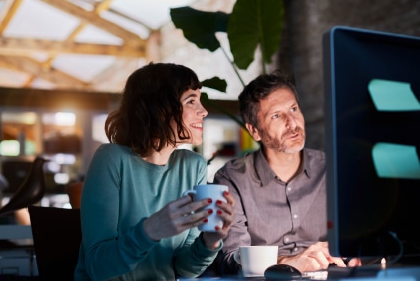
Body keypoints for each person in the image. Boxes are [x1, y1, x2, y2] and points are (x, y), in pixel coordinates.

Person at [74, 62, 235, 280]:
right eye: (191, 101)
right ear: (160, 109)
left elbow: (185, 269)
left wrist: (210, 241)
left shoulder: (193, 166)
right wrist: (150, 230)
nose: (204, 111)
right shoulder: (112, 159)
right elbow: (98, 267)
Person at [212, 69, 360, 275]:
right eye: (276, 116)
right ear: (254, 130)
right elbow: (230, 258)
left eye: (293, 109)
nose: (292, 124)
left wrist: (356, 255)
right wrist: (289, 262)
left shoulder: (332, 169)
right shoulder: (232, 179)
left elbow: (360, 237)